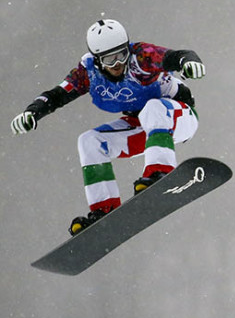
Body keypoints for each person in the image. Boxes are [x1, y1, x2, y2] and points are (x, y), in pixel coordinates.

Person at [10, 19, 206, 234]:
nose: (117, 64)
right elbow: (56, 95)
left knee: (154, 107)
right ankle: (104, 209)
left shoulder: (141, 57)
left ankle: (160, 172)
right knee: (89, 141)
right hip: (142, 126)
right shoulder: (88, 73)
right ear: (97, 59)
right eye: (109, 59)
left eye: (121, 55)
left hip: (179, 116)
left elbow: (177, 56)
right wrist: (32, 112)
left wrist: (188, 63)